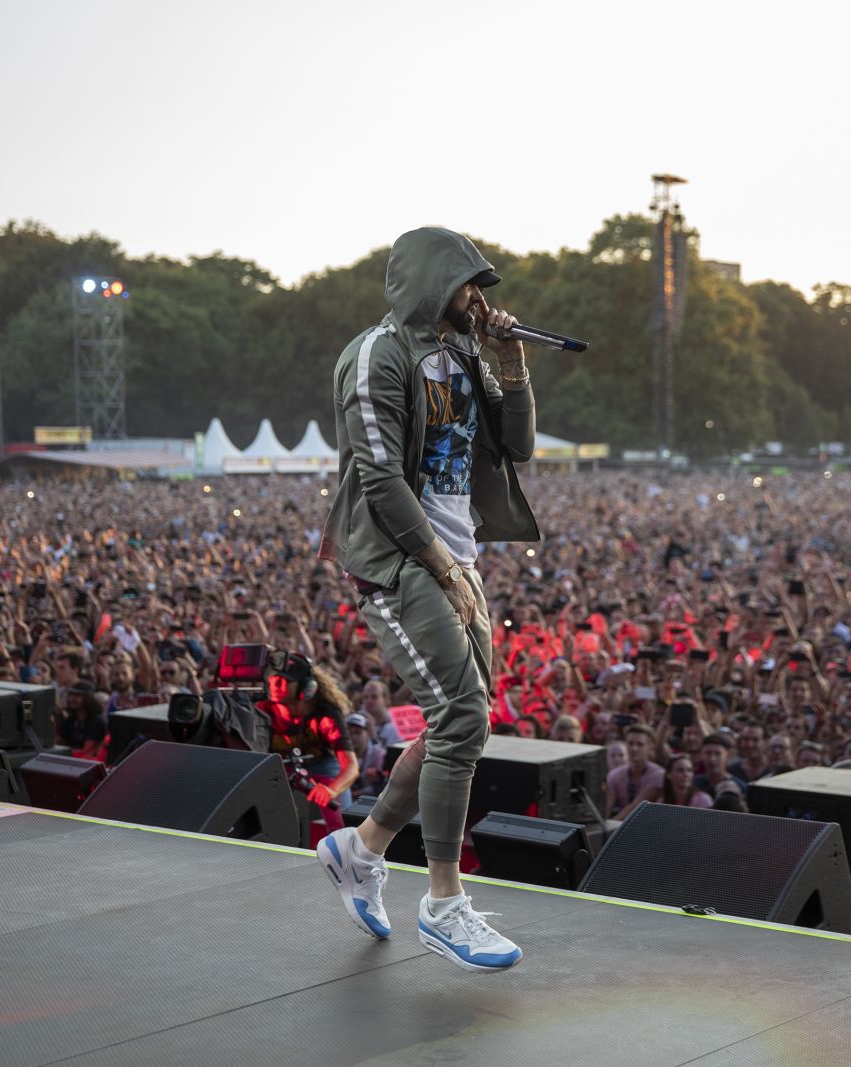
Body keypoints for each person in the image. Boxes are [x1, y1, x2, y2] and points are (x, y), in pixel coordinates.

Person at [315, 227, 537, 973]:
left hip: (458, 553)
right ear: (434, 283)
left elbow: (518, 446)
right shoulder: (378, 354)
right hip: (399, 556)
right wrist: (442, 566)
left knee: (458, 724)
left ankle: (361, 846)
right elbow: (380, 477)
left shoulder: (467, 351)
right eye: (471, 284)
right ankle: (443, 904)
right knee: (461, 714)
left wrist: (510, 362)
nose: (481, 299)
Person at [260, 651, 358, 845]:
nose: (274, 685)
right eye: (273, 680)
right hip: (278, 768)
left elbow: (351, 767)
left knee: (342, 824)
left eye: (284, 681)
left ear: (307, 688)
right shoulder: (263, 708)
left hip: (323, 766)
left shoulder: (326, 714)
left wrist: (331, 791)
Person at [607, 724, 665, 818]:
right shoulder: (614, 775)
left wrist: (610, 828)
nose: (634, 748)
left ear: (650, 748)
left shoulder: (658, 774)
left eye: (640, 744)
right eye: (630, 743)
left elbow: (636, 807)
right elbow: (606, 807)